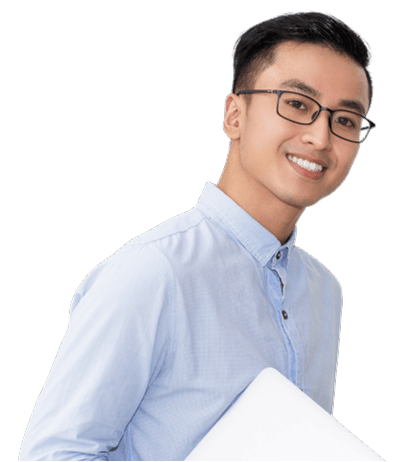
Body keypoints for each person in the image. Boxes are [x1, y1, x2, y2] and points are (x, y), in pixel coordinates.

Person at [20, 11, 375, 461]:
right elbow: (53, 454)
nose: (321, 138)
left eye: (346, 120)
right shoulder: (152, 272)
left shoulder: (325, 290)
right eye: (298, 105)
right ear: (234, 115)